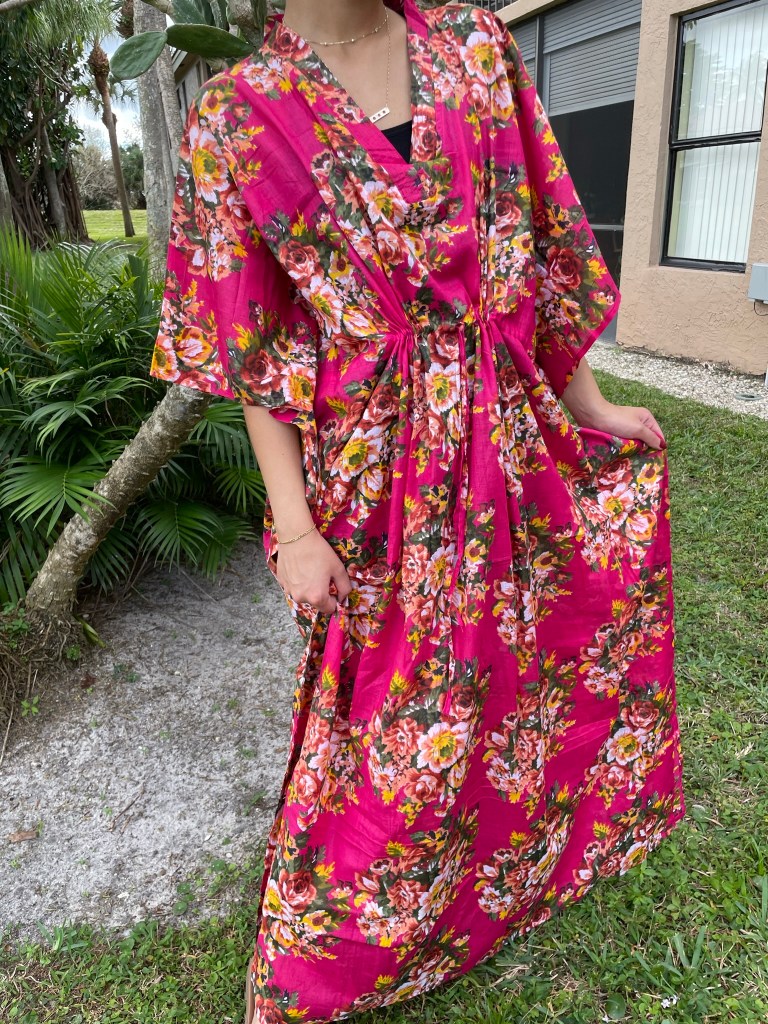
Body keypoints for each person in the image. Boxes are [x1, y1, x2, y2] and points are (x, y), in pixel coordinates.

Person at [148, 2, 686, 1022]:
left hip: (509, 422)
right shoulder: (236, 114)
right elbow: (253, 348)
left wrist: (590, 404)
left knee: (530, 655)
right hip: (375, 466)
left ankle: (512, 875)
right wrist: (295, 528)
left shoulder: (475, 46)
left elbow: (538, 246)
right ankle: (348, 945)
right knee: (389, 712)